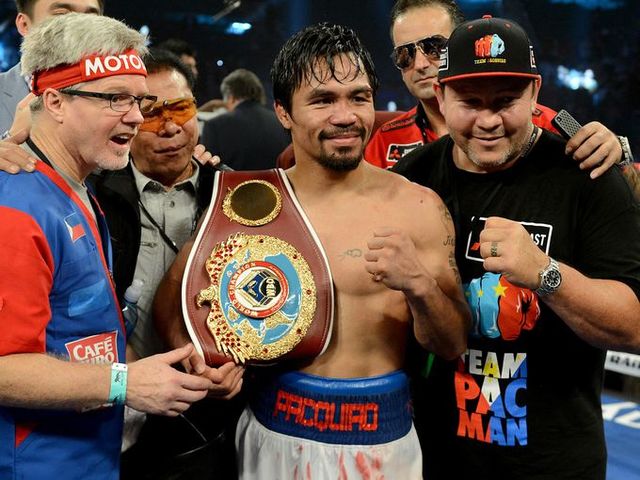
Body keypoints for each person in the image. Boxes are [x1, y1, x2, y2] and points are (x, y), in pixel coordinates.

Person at [154, 22, 471, 479]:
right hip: (273, 435)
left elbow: (452, 344)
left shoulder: (418, 207)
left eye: (358, 97)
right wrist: (201, 361)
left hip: (385, 441)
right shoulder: (249, 201)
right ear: (284, 112)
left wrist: (420, 286)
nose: (345, 116)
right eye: (322, 100)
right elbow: (172, 300)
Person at [393, 15, 640, 479]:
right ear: (441, 96)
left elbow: (634, 327)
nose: (488, 121)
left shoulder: (587, 177)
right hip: (433, 458)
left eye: (506, 101)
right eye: (470, 102)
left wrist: (547, 274)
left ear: (534, 93)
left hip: (555, 465)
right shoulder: (410, 180)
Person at [0, 13, 229, 479]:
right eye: (115, 98)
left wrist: (156, 370)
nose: (137, 117)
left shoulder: (80, 188)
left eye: (137, 99)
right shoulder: (17, 209)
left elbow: (85, 336)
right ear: (55, 101)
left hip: (89, 458)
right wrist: (126, 383)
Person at [91, 48, 243, 479]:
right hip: (122, 407)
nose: (171, 126)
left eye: (181, 109)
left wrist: (240, 363)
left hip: (212, 413)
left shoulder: (237, 193)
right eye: (152, 113)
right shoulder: (94, 195)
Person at [366, 0, 631, 180]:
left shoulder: (547, 124)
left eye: (434, 47)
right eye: (405, 54)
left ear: (465, 44)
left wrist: (617, 151)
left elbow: (617, 174)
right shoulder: (386, 139)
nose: (420, 64)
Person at [0, 0, 103, 136]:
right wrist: (9, 140)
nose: (80, 26)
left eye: (90, 17)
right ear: (24, 25)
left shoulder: (124, 95)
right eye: (61, 14)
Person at [200, 68, 290, 170]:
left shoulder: (214, 126)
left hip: (232, 181)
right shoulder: (282, 122)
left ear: (230, 97)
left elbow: (207, 171)